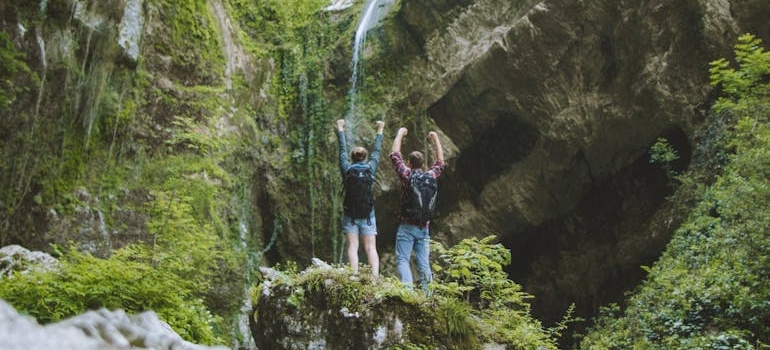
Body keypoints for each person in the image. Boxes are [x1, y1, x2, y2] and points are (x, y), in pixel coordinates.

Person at [390, 127, 445, 292]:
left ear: (409, 163)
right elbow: (441, 162)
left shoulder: (407, 175)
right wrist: (435, 139)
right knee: (424, 263)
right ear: (424, 165)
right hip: (424, 226)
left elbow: (394, 155)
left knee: (402, 260)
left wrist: (399, 133)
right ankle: (428, 295)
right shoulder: (431, 176)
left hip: (406, 225)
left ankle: (408, 292)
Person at [336, 119, 384, 279]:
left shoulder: (347, 169)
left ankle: (355, 275)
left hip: (350, 214)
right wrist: (380, 130)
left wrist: (340, 129)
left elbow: (341, 151)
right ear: (365, 157)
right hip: (368, 214)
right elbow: (377, 151)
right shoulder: (370, 168)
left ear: (352, 157)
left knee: (353, 246)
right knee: (371, 247)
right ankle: (375, 278)